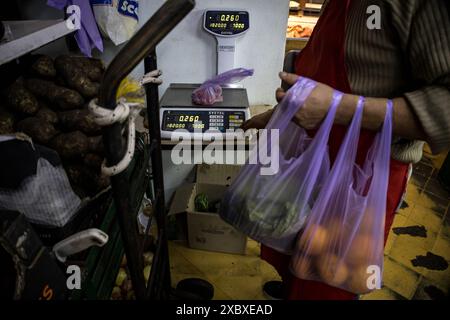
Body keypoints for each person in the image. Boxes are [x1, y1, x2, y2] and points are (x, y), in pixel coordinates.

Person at [241, 0, 450, 300]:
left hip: (360, 177)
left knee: (328, 277)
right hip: (307, 160)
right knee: (291, 257)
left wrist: (338, 109)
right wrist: (283, 116)